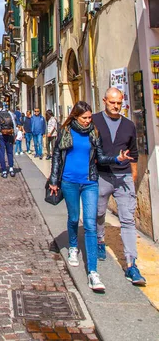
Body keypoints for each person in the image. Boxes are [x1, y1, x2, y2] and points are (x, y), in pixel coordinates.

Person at [48, 101, 132, 292]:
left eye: (89, 117)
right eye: (84, 118)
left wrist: (117, 159)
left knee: (90, 224)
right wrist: (54, 180)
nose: (88, 121)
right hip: (69, 181)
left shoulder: (94, 132)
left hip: (90, 182)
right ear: (75, 116)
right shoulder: (66, 131)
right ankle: (72, 247)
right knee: (73, 218)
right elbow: (57, 156)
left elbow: (100, 157)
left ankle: (93, 273)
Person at [93, 87, 146, 286]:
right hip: (102, 176)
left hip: (123, 177)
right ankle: (99, 240)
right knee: (99, 213)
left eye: (119, 103)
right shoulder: (95, 121)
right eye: (112, 102)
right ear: (104, 100)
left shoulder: (129, 125)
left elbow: (133, 151)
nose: (116, 106)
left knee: (128, 220)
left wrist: (132, 174)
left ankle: (131, 264)